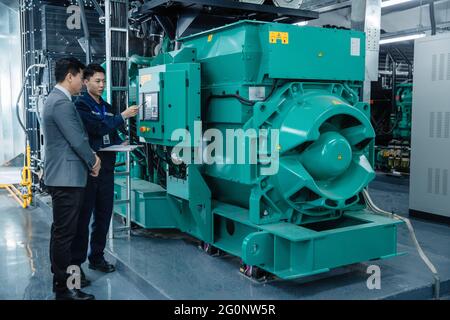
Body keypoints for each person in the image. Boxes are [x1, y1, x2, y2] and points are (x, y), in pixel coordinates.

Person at [71, 63, 139, 285]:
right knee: (83, 218)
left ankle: (97, 257)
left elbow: (111, 130)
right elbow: (98, 128)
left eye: (103, 81)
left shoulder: (107, 106)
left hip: (107, 170)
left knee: (103, 214)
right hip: (90, 170)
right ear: (86, 81)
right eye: (97, 81)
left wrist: (122, 141)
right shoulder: (80, 105)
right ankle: (76, 266)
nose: (101, 85)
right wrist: (122, 116)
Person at [42, 57, 101, 300]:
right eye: (80, 77)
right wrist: (93, 160)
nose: (81, 81)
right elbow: (77, 139)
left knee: (62, 232)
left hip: (66, 177)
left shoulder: (58, 100)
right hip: (66, 179)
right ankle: (64, 288)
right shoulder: (61, 103)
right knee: (65, 234)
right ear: (70, 75)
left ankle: (64, 283)